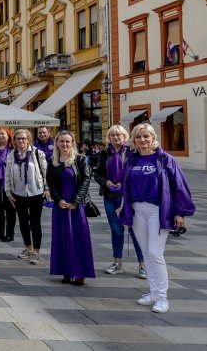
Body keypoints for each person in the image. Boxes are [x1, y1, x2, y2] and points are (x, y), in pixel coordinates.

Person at [119, 123, 195, 313]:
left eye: (146, 136)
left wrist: (180, 212)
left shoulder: (164, 159)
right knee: (146, 252)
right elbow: (125, 185)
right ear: (134, 140)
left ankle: (162, 297)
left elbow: (179, 186)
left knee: (154, 252)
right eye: (139, 137)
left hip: (158, 211)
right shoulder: (132, 159)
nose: (143, 140)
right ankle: (153, 292)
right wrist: (122, 205)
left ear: (153, 138)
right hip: (137, 210)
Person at [94, 125, 146, 278]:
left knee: (134, 230)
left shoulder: (132, 153)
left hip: (128, 196)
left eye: (118, 135)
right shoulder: (104, 154)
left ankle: (142, 264)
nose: (116, 138)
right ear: (109, 138)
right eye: (112, 135)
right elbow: (97, 174)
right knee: (116, 230)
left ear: (125, 137)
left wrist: (125, 184)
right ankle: (117, 263)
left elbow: (137, 173)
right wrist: (106, 182)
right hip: (109, 196)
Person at [47, 130, 95, 286]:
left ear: (72, 143)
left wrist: (75, 201)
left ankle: (80, 272)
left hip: (76, 206)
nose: (65, 144)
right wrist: (59, 199)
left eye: (68, 141)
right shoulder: (52, 160)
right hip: (60, 206)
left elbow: (85, 180)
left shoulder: (80, 160)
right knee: (62, 238)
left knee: (78, 238)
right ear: (57, 143)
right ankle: (66, 270)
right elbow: (50, 183)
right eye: (62, 141)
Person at [5, 129, 49, 265]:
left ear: (28, 140)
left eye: (24, 138)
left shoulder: (37, 153)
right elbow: (7, 174)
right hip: (18, 193)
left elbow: (46, 172)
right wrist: (8, 191)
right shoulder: (12, 154)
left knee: (35, 222)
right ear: (15, 141)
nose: (21, 141)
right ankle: (28, 247)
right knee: (23, 221)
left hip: (36, 192)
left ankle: (36, 251)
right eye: (18, 139)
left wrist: (47, 188)